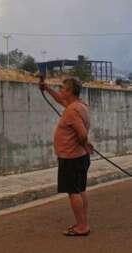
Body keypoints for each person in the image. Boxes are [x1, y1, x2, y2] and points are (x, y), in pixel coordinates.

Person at [39, 77, 93, 236]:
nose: (60, 90)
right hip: (79, 157)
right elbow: (60, 99)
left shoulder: (71, 110)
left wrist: (85, 143)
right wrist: (47, 89)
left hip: (71, 158)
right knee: (80, 189)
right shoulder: (79, 105)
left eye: (62, 88)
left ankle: (82, 227)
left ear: (69, 91)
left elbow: (82, 133)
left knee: (73, 192)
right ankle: (82, 222)